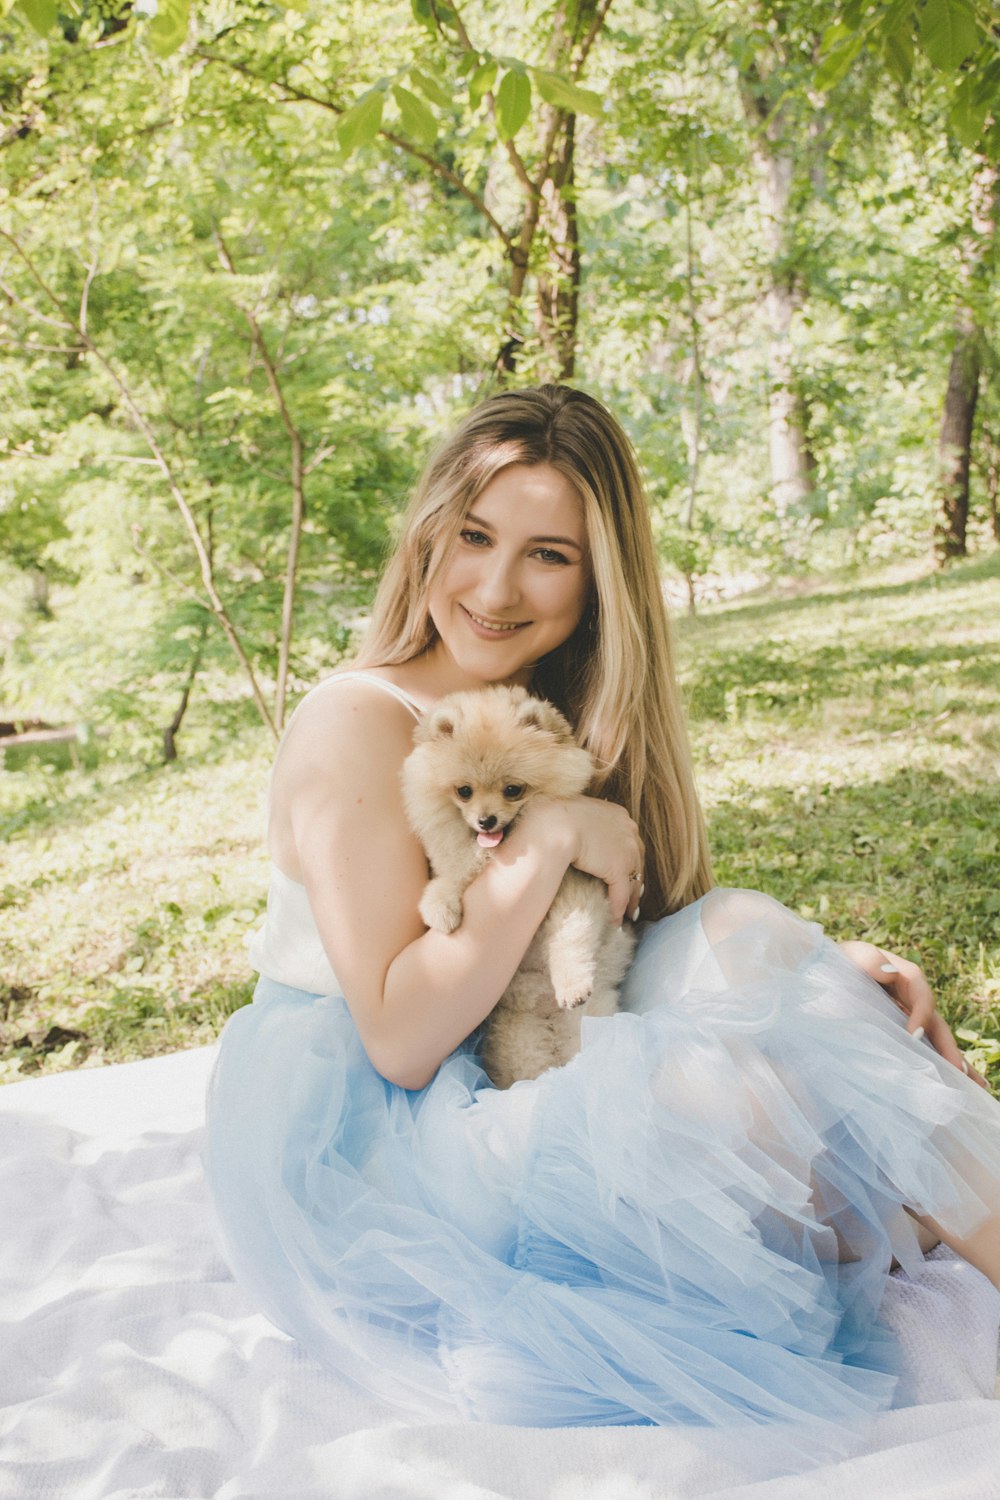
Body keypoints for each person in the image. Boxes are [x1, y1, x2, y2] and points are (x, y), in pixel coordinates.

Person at [205, 384, 1000, 1443]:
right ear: (430, 535)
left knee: (757, 940)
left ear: (598, 578)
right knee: (763, 1102)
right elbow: (398, 1038)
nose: (494, 585)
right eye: (475, 535)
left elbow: (624, 941)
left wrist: (822, 969)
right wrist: (540, 839)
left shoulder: (561, 710)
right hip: (386, 1141)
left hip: (527, 1046)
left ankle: (910, 1193)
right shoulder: (357, 722)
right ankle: (905, 1199)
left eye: (548, 553)